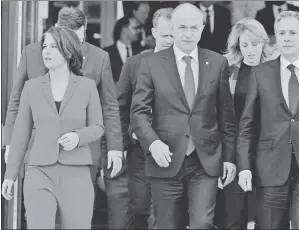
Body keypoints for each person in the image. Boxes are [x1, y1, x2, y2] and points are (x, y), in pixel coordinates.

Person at [130, 3, 237, 229]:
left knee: (202, 223)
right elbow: (138, 112)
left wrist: (228, 158)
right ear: (173, 28)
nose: (188, 34)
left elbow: (227, 116)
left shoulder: (218, 63)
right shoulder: (151, 63)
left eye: (193, 28)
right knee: (164, 224)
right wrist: (152, 143)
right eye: (182, 27)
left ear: (202, 28)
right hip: (165, 157)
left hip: (205, 160)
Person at [237, 11, 299, 229]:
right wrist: (244, 167)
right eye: (281, 32)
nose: (286, 37)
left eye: (293, 32)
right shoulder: (260, 73)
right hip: (270, 167)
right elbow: (247, 125)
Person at [2, 6, 123, 186]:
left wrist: (115, 148)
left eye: (78, 40)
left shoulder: (100, 57)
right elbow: (17, 100)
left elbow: (109, 106)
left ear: (84, 31)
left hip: (84, 150)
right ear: (56, 28)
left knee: (78, 211)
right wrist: (10, 141)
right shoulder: (32, 53)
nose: (73, 47)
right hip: (39, 148)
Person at [1, 26, 104, 229]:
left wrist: (78, 136)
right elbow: (20, 134)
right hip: (39, 171)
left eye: (53, 46)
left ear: (68, 51)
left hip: (77, 174)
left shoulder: (87, 86)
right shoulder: (31, 87)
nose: (46, 51)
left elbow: (98, 126)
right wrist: (9, 175)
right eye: (44, 46)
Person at [115, 7, 174, 229]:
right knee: (139, 208)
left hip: (176, 149)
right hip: (140, 150)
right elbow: (120, 106)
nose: (169, 39)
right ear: (153, 32)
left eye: (173, 35)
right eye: (164, 34)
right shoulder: (135, 63)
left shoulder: (190, 65)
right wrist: (119, 143)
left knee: (167, 213)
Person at [214, 17, 274, 229]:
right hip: (235, 148)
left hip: (268, 150)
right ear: (237, 46)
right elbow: (221, 115)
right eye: (245, 45)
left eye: (255, 44)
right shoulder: (227, 70)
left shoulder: (275, 70)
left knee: (266, 216)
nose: (250, 50)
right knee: (234, 215)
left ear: (263, 43)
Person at [104, 16, 141, 82]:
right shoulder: (105, 53)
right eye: (136, 28)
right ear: (125, 29)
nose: (139, 31)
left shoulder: (140, 53)